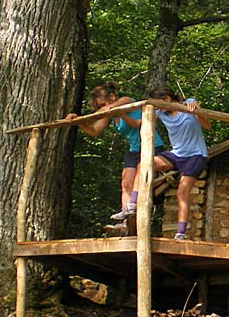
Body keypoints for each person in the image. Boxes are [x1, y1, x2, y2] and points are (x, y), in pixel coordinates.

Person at [65, 82, 164, 222]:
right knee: (126, 184)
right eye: (99, 107)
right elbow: (94, 131)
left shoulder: (126, 101)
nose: (101, 108)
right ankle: (127, 220)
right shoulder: (109, 114)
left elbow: (111, 108)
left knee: (142, 183)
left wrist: (87, 116)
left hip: (152, 145)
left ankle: (141, 219)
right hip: (134, 149)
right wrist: (79, 121)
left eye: (102, 104)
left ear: (111, 96)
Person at [147, 86, 212, 240]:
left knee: (182, 192)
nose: (159, 109)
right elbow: (141, 121)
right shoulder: (159, 113)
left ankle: (180, 233)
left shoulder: (187, 104)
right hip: (177, 154)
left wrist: (197, 112)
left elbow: (207, 126)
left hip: (195, 155)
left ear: (167, 100)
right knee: (146, 163)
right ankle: (134, 202)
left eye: (159, 105)